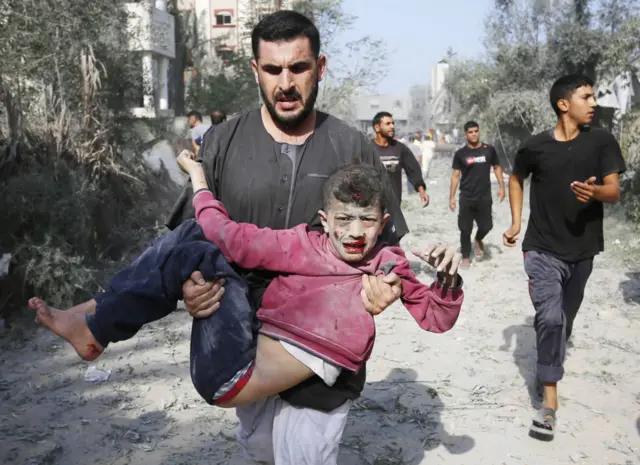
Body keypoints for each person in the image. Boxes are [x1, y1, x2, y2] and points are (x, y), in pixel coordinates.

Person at [164, 10, 428, 464]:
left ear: (319, 68)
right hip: (240, 336)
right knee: (262, 448)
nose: (285, 82)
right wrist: (191, 285)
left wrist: (388, 283)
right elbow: (189, 238)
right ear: (255, 71)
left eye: (298, 68)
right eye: (272, 69)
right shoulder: (220, 144)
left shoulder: (351, 148)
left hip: (319, 339)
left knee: (305, 455)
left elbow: (388, 245)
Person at [28, 159, 464, 409]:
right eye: (344, 220)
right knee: (199, 238)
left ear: (382, 223)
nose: (355, 232)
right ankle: (97, 320)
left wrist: (448, 277)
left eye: (366, 221)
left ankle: (97, 319)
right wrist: (200, 184)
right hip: (236, 357)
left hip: (229, 377)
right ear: (324, 220)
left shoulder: (388, 263)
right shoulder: (300, 245)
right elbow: (230, 236)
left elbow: (436, 317)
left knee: (195, 243)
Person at [503, 74, 626, 440]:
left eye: (594, 97)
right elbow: (515, 178)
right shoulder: (535, 146)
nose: (593, 103)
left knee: (563, 321)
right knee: (552, 317)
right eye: (586, 97)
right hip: (541, 248)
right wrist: (514, 221)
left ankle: (550, 352)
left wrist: (595, 193)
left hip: (583, 251)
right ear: (563, 104)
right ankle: (549, 400)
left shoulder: (602, 142)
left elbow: (615, 192)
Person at [449, 121, 505, 268]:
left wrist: (502, 187)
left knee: (487, 225)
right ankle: (466, 257)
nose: (474, 134)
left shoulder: (489, 150)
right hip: (466, 197)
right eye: (470, 132)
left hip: (484, 196)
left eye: (476, 131)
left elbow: (497, 167)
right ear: (465, 134)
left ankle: (478, 239)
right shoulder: (461, 154)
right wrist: (452, 197)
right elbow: (455, 175)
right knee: (465, 229)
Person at [371, 111, 429, 207]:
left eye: (393, 123)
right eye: (388, 124)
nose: (392, 126)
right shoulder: (367, 149)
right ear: (377, 127)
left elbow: (413, 169)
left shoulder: (400, 148)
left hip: (394, 206)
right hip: (371, 208)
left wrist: (421, 190)